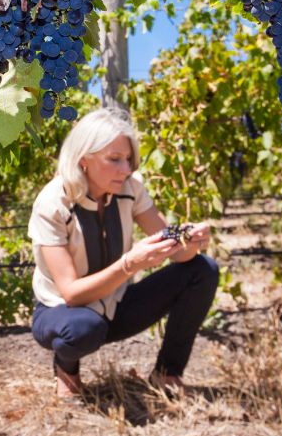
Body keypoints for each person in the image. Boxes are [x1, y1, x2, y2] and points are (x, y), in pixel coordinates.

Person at [29, 107, 218, 399]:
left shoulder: (131, 189)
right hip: (61, 312)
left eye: (128, 159)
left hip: (115, 305)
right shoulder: (53, 204)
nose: (126, 169)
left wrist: (189, 239)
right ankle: (67, 372)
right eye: (114, 159)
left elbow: (179, 255)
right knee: (81, 329)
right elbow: (71, 294)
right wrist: (129, 264)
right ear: (84, 161)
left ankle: (166, 375)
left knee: (202, 270)